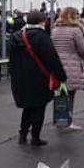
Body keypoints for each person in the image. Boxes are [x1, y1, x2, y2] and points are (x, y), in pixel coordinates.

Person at [9, 11, 67, 146]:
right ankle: (35, 137)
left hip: (21, 77)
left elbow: (12, 60)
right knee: (39, 107)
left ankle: (22, 135)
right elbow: (52, 58)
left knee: (28, 107)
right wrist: (61, 76)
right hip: (39, 78)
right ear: (42, 21)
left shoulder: (17, 36)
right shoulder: (42, 37)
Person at [51, 7, 84, 130]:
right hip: (72, 64)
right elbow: (83, 49)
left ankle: (59, 119)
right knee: (70, 94)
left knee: (59, 94)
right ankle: (68, 121)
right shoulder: (76, 31)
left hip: (57, 64)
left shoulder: (55, 30)